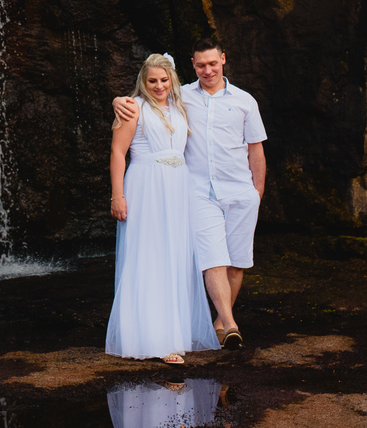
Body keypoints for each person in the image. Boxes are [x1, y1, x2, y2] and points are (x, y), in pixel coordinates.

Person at [114, 38, 267, 350]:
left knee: (236, 261)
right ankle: (231, 324)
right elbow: (141, 101)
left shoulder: (242, 101)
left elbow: (256, 149)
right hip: (195, 192)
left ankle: (220, 323)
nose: (207, 70)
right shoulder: (180, 95)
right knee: (211, 258)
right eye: (201, 65)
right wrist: (118, 100)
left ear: (223, 60)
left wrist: (257, 192)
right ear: (193, 65)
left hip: (234, 190)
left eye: (212, 63)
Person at [105, 53, 220, 364]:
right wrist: (118, 195)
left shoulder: (179, 106)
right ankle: (154, 340)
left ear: (172, 80)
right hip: (146, 187)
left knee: (174, 258)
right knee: (150, 257)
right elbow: (118, 152)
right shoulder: (133, 107)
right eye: (152, 80)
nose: (158, 86)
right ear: (143, 81)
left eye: (164, 80)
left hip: (177, 188)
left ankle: (174, 333)